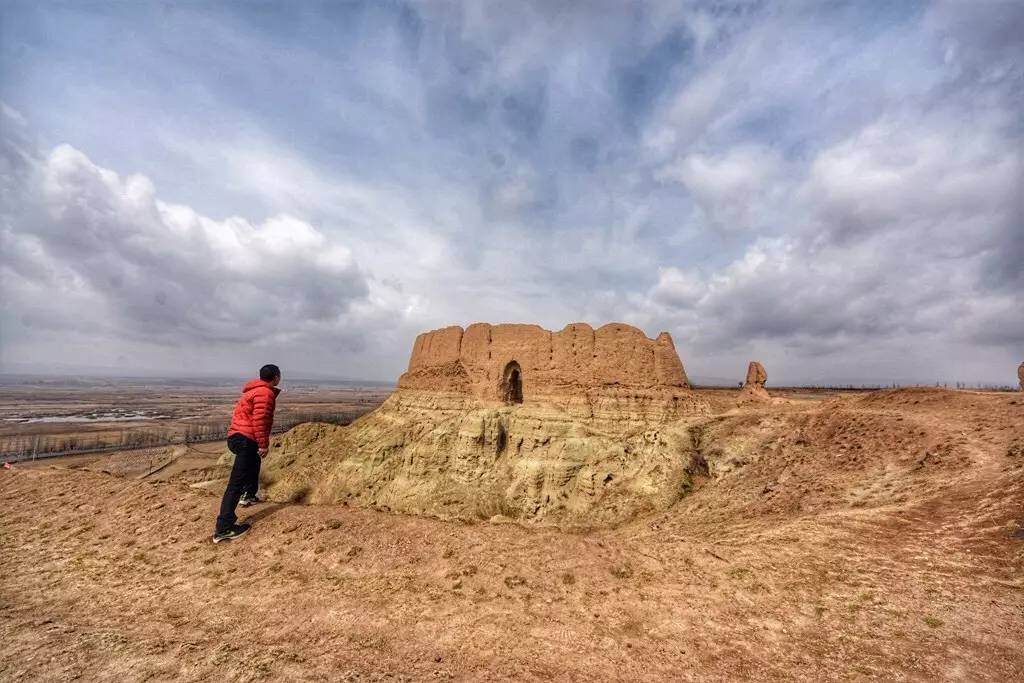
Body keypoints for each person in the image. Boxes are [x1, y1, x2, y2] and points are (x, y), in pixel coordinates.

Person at [213, 364, 281, 543]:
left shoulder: (251, 391)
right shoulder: (265, 394)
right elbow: (260, 421)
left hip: (237, 436)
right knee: (235, 483)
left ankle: (249, 494)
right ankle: (223, 528)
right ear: (276, 377)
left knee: (253, 463)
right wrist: (263, 444)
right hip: (246, 439)